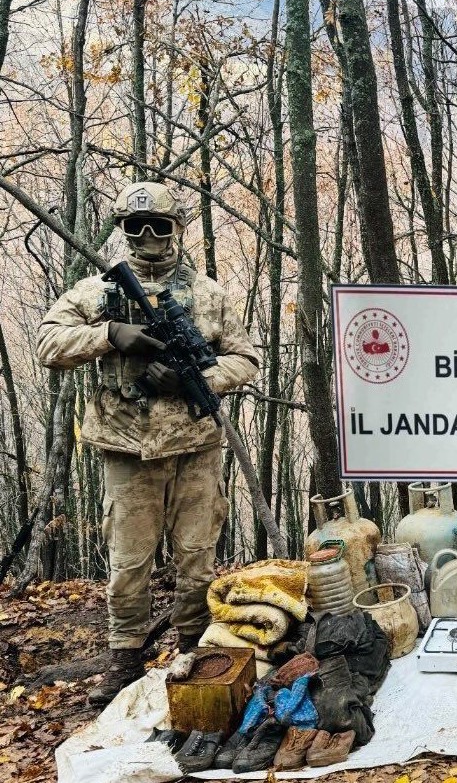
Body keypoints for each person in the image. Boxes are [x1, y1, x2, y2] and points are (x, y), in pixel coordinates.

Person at [36, 182, 260, 705]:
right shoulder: (97, 293)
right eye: (135, 226)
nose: (148, 236)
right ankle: (125, 658)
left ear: (176, 227)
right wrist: (111, 334)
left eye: (159, 225)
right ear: (122, 229)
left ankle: (195, 649)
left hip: (194, 448)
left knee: (197, 558)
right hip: (126, 448)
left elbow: (245, 359)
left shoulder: (208, 294)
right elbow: (49, 341)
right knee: (128, 561)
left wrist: (190, 379)